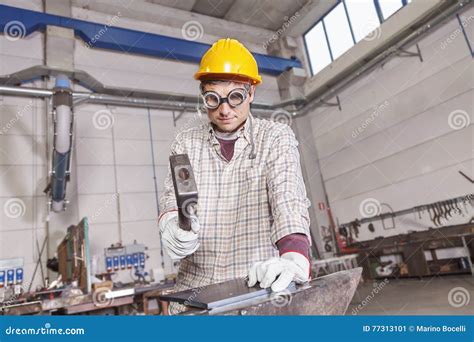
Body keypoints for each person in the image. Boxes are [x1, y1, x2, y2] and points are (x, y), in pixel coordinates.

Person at [158, 38, 312, 315]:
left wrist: (294, 255)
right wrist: (172, 224)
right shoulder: (185, 143)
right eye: (213, 98)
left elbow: (287, 199)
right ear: (203, 94)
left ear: (251, 92)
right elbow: (175, 198)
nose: (224, 109)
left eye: (236, 97)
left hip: (253, 289)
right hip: (195, 295)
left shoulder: (275, 137)